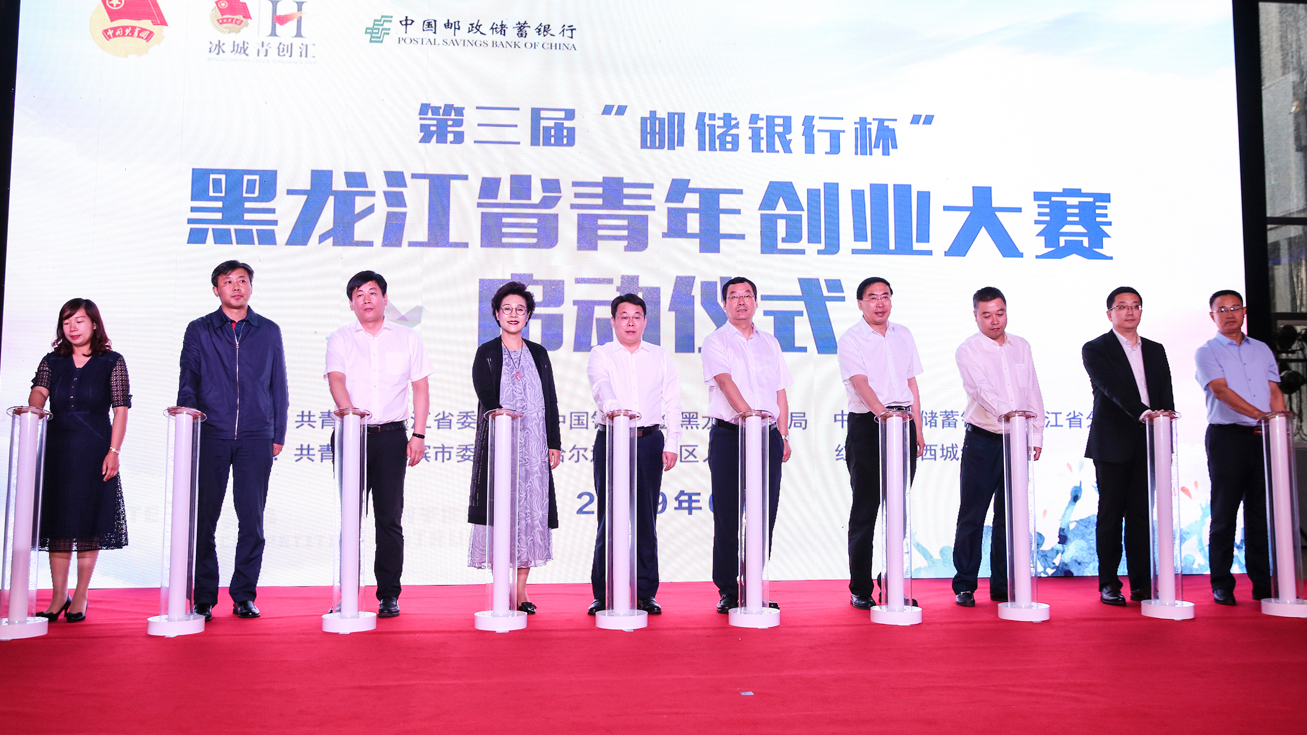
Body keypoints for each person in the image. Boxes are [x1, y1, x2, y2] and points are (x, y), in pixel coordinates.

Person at [177, 260, 288, 621]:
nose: (236, 287)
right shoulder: (200, 329)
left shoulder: (268, 330)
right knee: (203, 519)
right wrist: (189, 425)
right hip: (210, 433)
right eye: (228, 282)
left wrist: (278, 432)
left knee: (251, 520)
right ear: (216, 290)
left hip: (257, 435)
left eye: (242, 280)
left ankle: (244, 595)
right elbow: (189, 378)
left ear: (251, 287)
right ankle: (203, 597)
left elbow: (278, 384)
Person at [325, 271, 431, 619]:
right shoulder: (340, 338)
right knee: (350, 519)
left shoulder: (407, 338)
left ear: (385, 299)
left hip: (391, 438)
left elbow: (420, 388)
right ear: (351, 303)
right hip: (350, 435)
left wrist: (418, 435)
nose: (366, 299)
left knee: (389, 519)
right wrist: (349, 416)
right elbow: (336, 379)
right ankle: (347, 595)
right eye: (359, 294)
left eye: (373, 293)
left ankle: (389, 595)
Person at [29, 299, 130, 623]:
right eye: (67, 322)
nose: (72, 328)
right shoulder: (52, 361)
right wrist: (34, 405)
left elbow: (120, 410)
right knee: (58, 524)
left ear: (94, 324)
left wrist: (113, 452)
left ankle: (81, 594)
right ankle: (59, 595)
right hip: (57, 450)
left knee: (88, 525)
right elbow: (39, 392)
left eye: (79, 321)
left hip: (95, 449)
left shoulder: (111, 361)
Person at [468, 281, 562, 613]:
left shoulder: (539, 354)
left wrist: (554, 442)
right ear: (496, 314)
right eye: (506, 309)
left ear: (528, 315)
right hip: (500, 448)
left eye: (520, 309)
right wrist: (501, 413)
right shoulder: (487, 352)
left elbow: (550, 399)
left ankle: (520, 592)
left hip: (534, 449)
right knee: (500, 514)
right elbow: (485, 394)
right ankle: (501, 587)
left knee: (530, 517)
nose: (513, 314)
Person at [585, 294, 682, 616]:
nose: (630, 322)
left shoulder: (660, 356)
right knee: (609, 518)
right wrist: (617, 410)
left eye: (636, 316)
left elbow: (672, 400)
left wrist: (673, 441)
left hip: (649, 440)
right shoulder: (601, 354)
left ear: (644, 321)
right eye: (624, 316)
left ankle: (645, 592)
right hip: (612, 438)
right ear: (613, 321)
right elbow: (601, 386)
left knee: (645, 519)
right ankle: (604, 593)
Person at [702, 276, 792, 614]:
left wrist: (783, 434)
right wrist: (749, 417)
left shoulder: (770, 342)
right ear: (724, 304)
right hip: (731, 434)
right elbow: (725, 383)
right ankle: (728, 589)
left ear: (756, 301)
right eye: (734, 296)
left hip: (767, 435)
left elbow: (780, 390)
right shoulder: (716, 341)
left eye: (747, 295)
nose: (741, 301)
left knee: (764, 512)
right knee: (728, 513)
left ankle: (754, 585)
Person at [951, 287, 1044, 607]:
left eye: (1000, 313)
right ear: (975, 315)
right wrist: (1010, 413)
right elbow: (980, 389)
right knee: (972, 514)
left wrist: (1035, 434)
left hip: (1017, 440)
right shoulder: (968, 350)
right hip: (983, 440)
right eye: (987, 315)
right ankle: (965, 584)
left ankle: (1003, 585)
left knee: (1010, 516)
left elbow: (1032, 390)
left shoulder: (1022, 346)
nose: (994, 321)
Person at [1081, 287, 1175, 606]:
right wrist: (1143, 412)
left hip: (1150, 440)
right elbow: (1111, 388)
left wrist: (1165, 434)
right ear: (1110, 314)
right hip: (1112, 442)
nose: (1130, 311)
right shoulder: (1096, 348)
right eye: (1122, 306)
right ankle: (1109, 583)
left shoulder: (1155, 349)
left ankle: (1142, 584)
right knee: (1110, 514)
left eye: (1135, 306)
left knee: (1140, 515)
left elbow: (1165, 393)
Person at [837, 277, 925, 610]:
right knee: (865, 509)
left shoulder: (904, 335)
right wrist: (884, 415)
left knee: (897, 511)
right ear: (860, 303)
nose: (880, 303)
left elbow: (911, 383)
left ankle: (893, 584)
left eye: (885, 296)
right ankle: (860, 588)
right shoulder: (851, 339)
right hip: (868, 426)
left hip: (903, 425)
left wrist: (917, 427)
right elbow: (860, 383)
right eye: (872, 297)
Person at [1194, 289, 1281, 605]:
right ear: (1212, 316)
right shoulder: (1207, 352)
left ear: (1244, 312)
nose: (1229, 314)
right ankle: (1222, 584)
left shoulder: (1262, 350)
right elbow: (1221, 391)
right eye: (1222, 309)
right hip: (1227, 439)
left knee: (1260, 514)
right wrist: (1261, 416)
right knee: (1224, 513)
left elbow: (1274, 392)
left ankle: (1263, 585)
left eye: (1235, 308)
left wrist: (1278, 427)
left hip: (1263, 438)